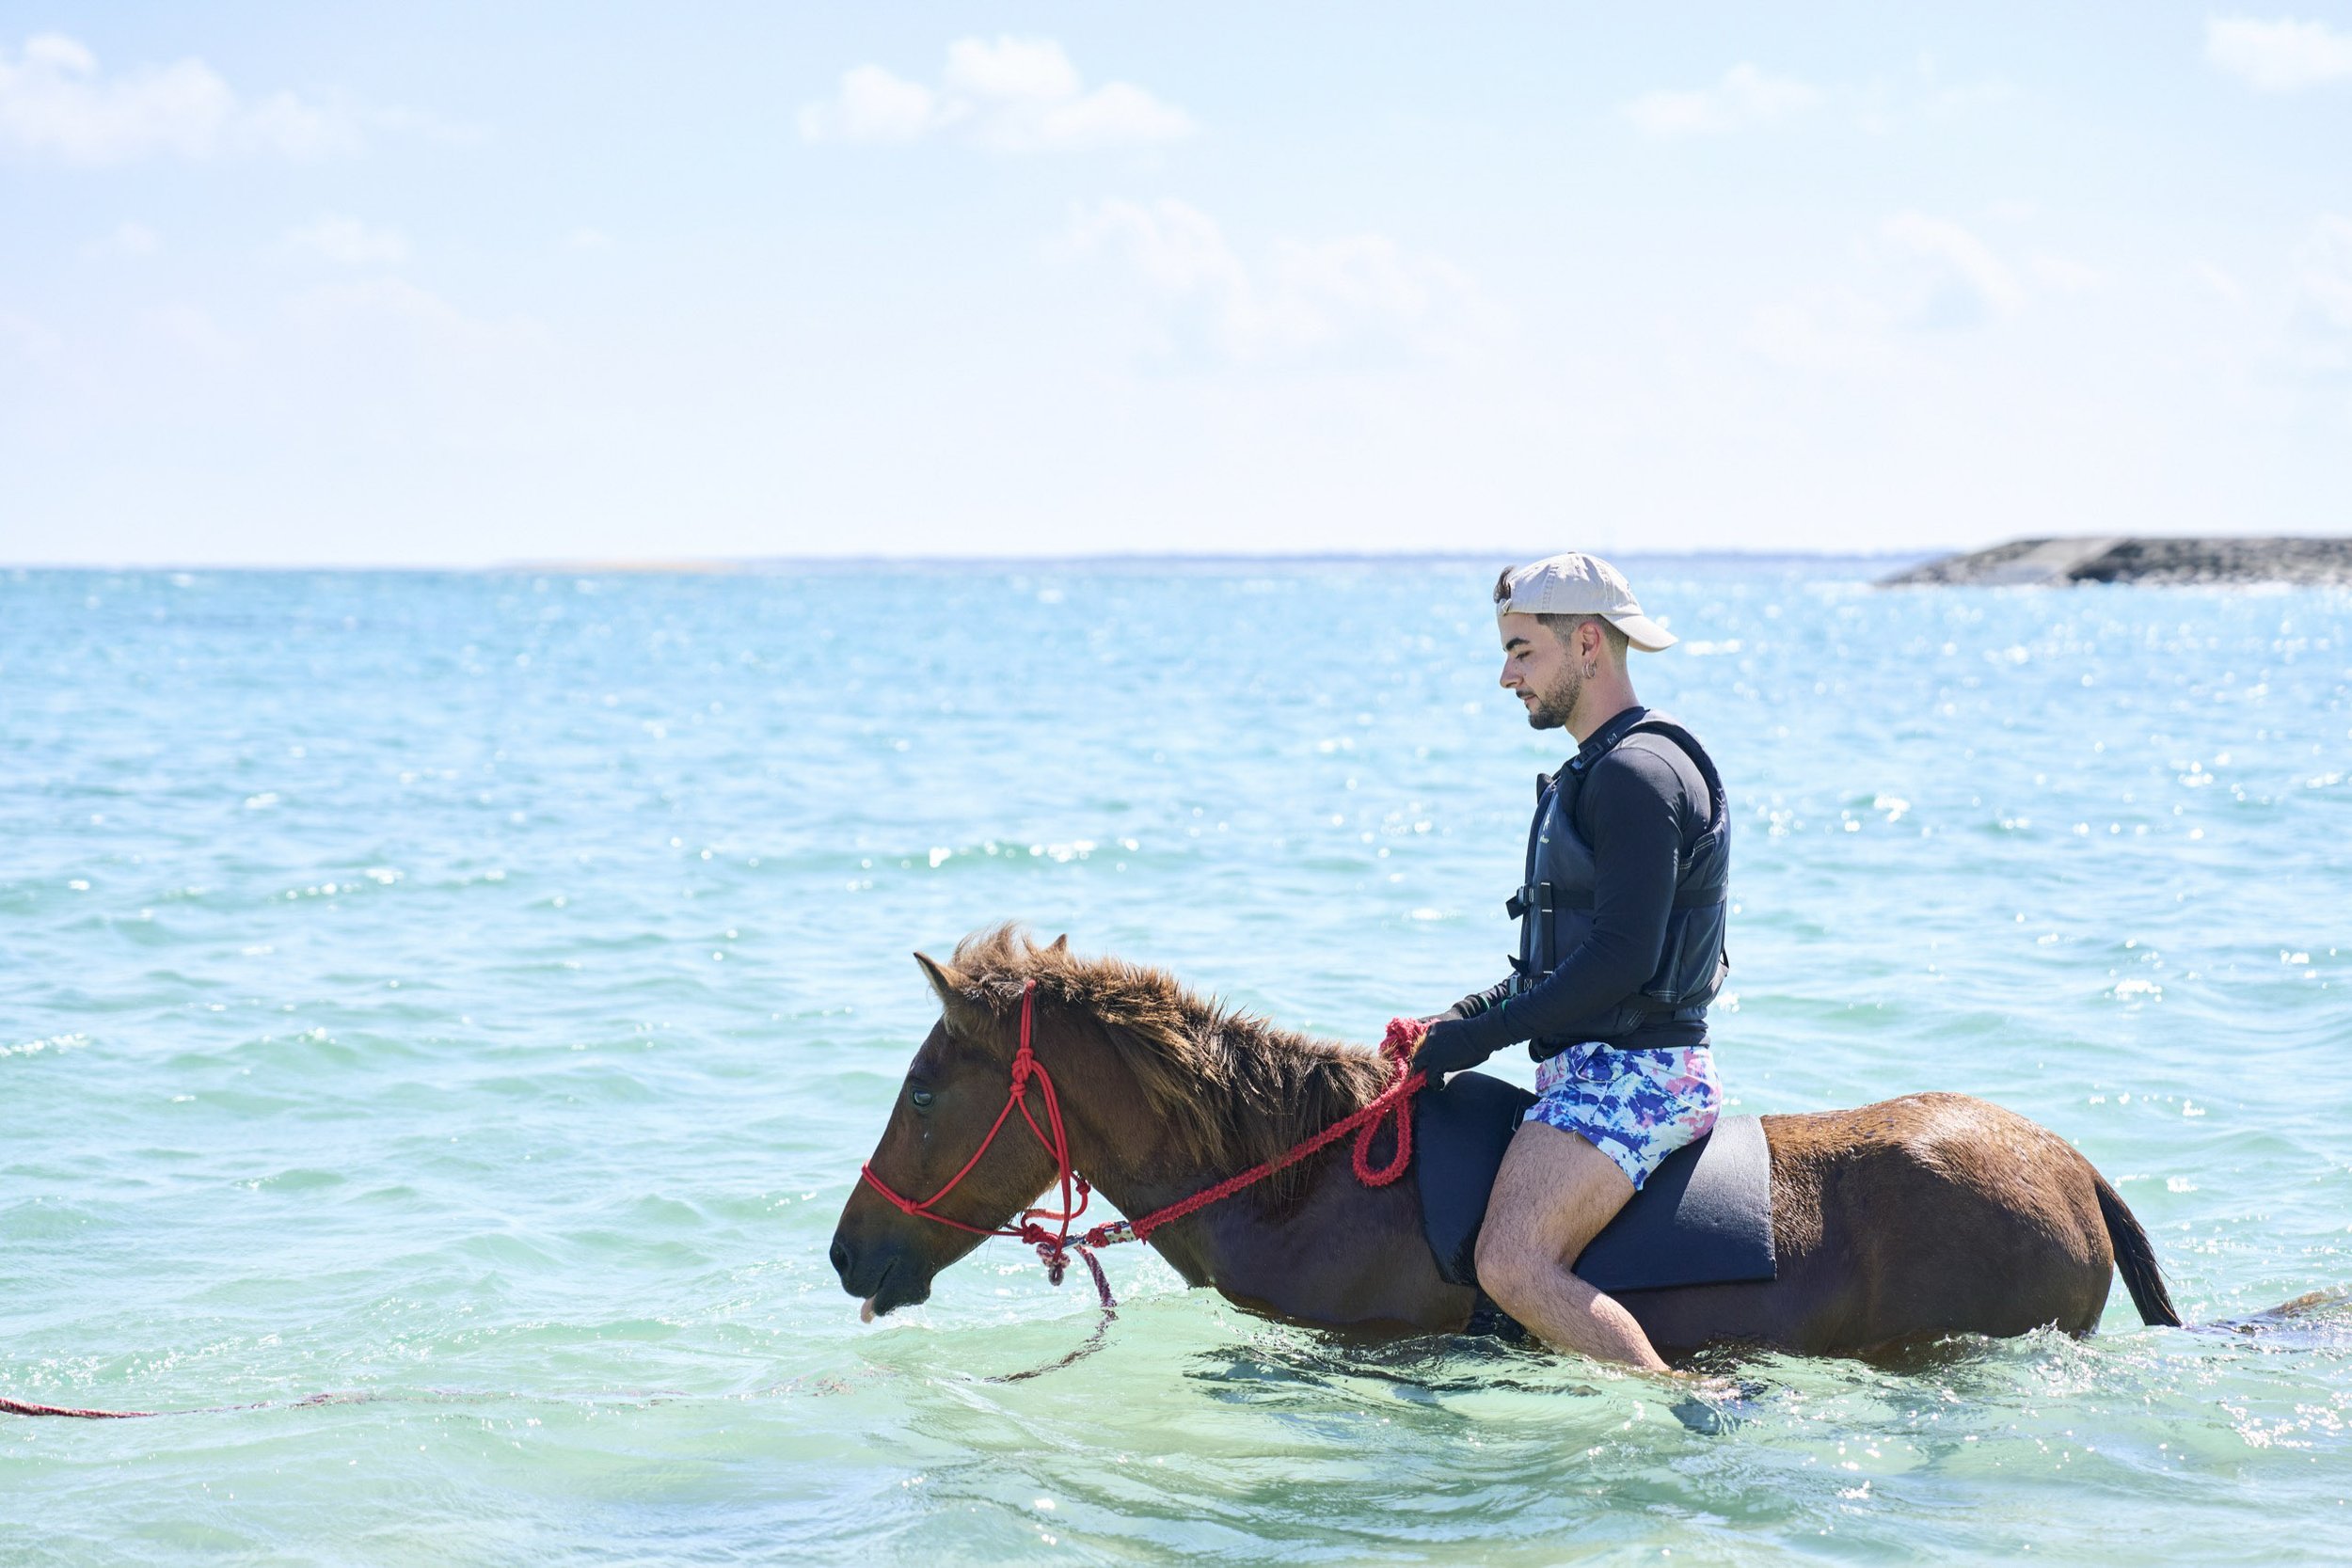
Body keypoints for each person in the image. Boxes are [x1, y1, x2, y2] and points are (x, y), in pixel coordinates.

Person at [1411, 553, 1730, 1370]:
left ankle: (1685, 1406)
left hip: (1638, 1077)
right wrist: (1468, 1016)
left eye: (1523, 651)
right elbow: (1565, 957)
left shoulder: (1635, 774)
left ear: (1587, 643)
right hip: (1591, 1069)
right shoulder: (1599, 767)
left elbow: (1622, 961)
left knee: (1509, 1263)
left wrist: (1485, 1041)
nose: (1506, 676)